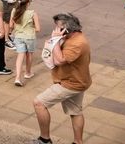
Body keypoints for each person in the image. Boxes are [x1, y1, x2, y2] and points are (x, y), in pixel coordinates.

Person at [32, 13, 92, 144]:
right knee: (75, 111)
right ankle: (78, 142)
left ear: (67, 29)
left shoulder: (77, 43)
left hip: (70, 84)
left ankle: (44, 139)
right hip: (78, 81)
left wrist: (55, 40)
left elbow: (59, 60)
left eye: (58, 28)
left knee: (39, 103)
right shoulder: (74, 38)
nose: (55, 30)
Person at [8, 0, 41, 87]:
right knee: (29, 55)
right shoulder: (33, 13)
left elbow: (10, 26)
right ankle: (28, 72)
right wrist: (31, 28)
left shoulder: (14, 11)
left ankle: (17, 77)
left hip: (18, 36)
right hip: (30, 37)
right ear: (27, 4)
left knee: (20, 56)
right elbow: (38, 29)